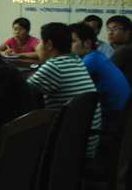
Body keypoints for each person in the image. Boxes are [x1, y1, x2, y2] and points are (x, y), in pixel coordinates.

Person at [27, 22, 102, 158]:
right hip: (86, 144)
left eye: (39, 42)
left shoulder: (54, 66)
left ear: (49, 45)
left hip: (68, 151)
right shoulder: (76, 61)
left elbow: (22, 92)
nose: (36, 47)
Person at [69, 22, 130, 128]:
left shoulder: (91, 60)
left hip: (112, 120)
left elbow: (68, 81)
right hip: (122, 117)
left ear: (88, 43)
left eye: (72, 41)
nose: (67, 46)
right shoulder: (98, 56)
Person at [107, 15, 132, 88]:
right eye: (108, 29)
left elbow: (104, 70)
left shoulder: (125, 49)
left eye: (115, 29)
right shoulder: (111, 47)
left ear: (127, 33)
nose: (110, 33)